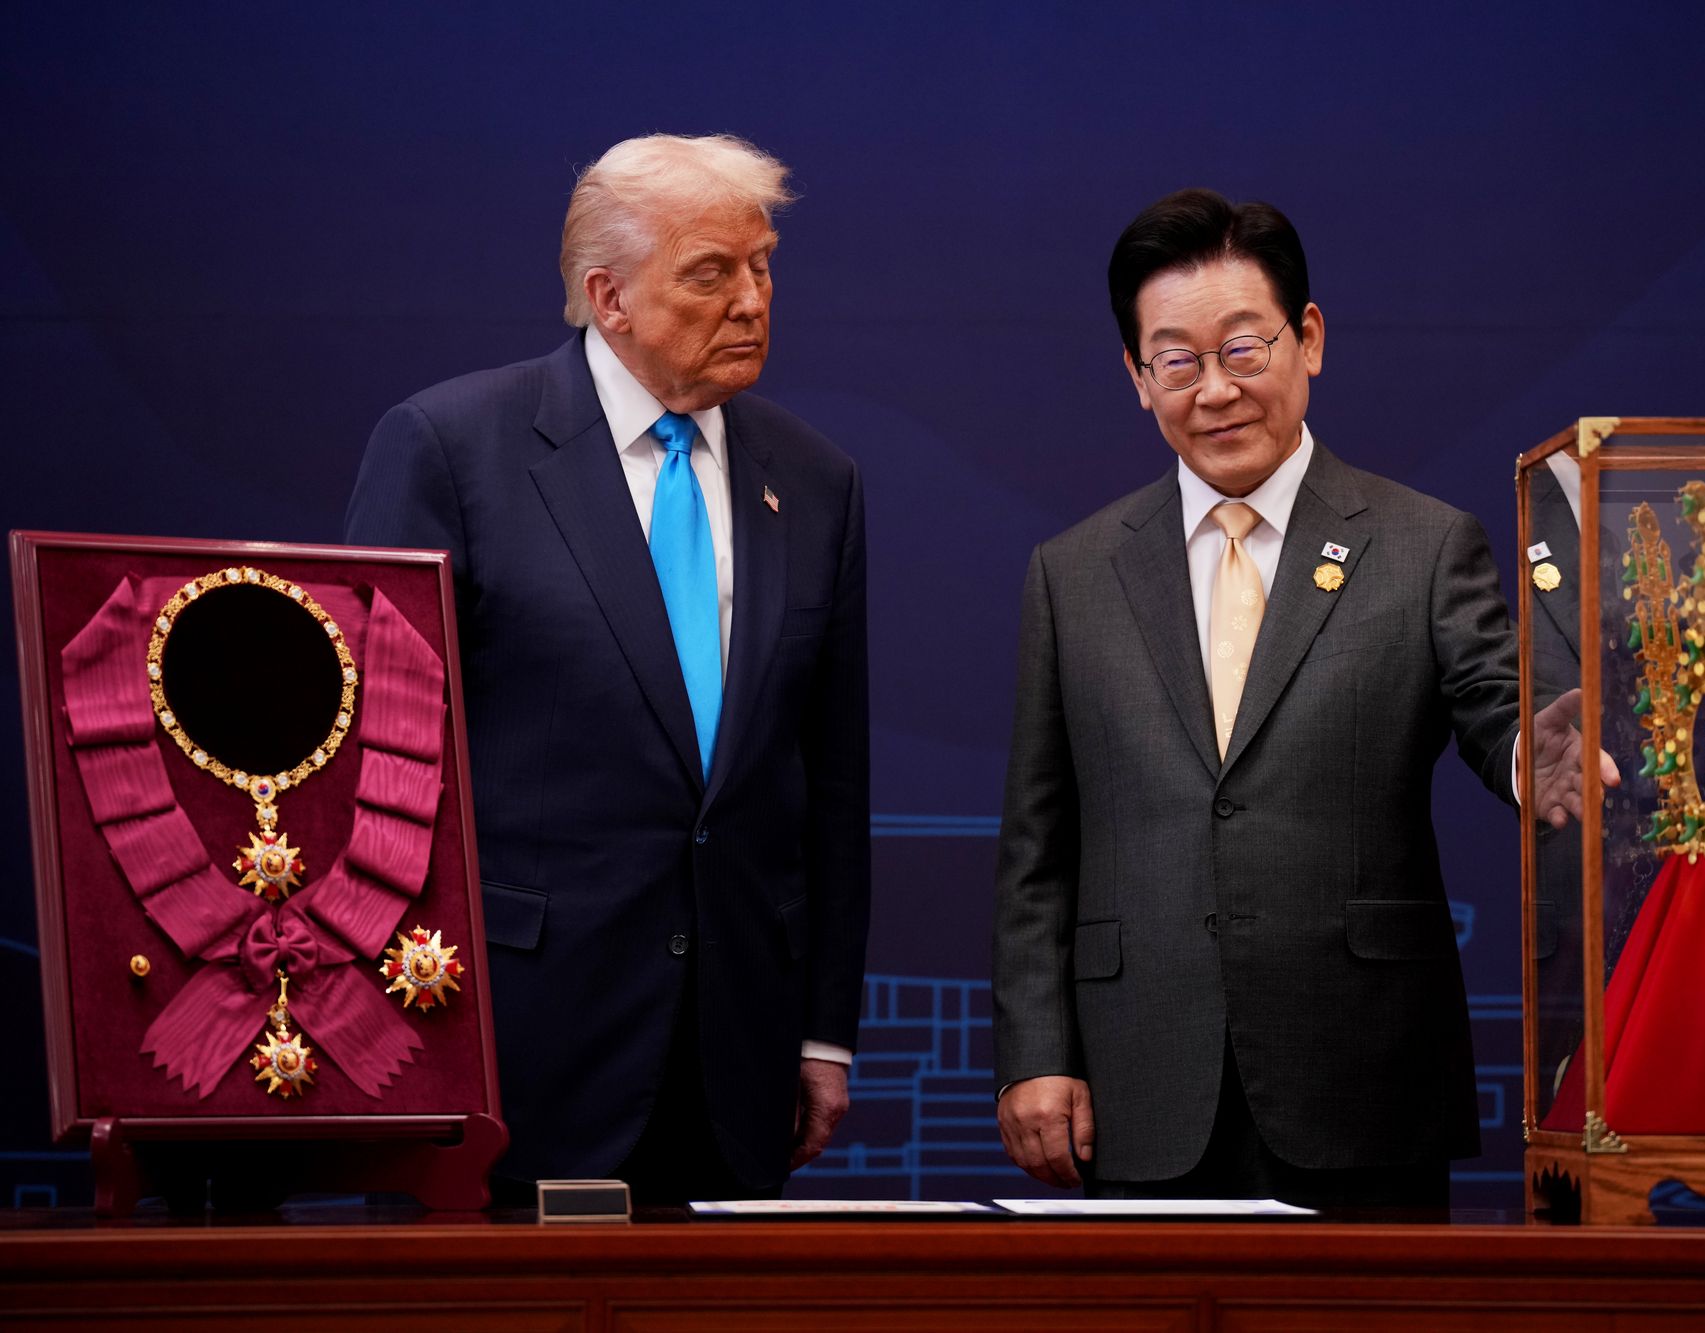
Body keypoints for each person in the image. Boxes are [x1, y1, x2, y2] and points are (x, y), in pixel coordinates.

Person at [991, 188, 1608, 1210]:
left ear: (1307, 339)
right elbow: (1035, 847)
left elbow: (1493, 698)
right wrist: (1032, 1053)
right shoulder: (1074, 572)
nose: (1215, 390)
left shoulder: (1419, 543)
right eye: (1177, 361)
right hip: (1137, 1076)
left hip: (1359, 1070)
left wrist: (1522, 757)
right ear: (1137, 379)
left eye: (1244, 349)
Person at [345, 133, 869, 1203]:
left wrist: (823, 1031)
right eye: (711, 274)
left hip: (737, 1057)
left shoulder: (815, 481)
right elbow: (373, 767)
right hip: (511, 1045)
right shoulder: (450, 448)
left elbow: (830, 783)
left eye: (762, 266)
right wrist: (382, 1028)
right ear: (609, 296)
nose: (753, 301)